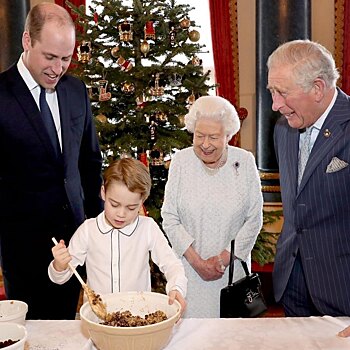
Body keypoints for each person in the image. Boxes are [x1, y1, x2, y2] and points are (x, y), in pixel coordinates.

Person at [0, 3, 103, 319]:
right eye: (50, 57)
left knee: (65, 326)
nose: (58, 68)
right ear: (27, 41)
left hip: (73, 240)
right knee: (32, 330)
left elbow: (88, 162)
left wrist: (97, 226)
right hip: (23, 245)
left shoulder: (75, 91)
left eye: (66, 58)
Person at [267, 39, 350, 318]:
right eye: (271, 92)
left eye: (282, 93)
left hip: (342, 288)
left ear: (317, 88)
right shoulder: (283, 129)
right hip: (293, 282)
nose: (276, 104)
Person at [161, 95, 263, 318]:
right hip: (188, 272)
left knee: (231, 338)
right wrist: (197, 262)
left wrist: (221, 260)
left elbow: (254, 219)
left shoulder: (244, 162)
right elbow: (169, 217)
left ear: (228, 136)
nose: (205, 144)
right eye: (199, 136)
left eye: (214, 137)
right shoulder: (180, 162)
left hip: (231, 275)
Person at [48, 158, 187, 313]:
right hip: (98, 319)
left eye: (131, 207)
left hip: (138, 316)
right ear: (103, 192)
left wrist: (177, 287)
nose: (121, 214)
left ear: (142, 201)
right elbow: (60, 278)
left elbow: (172, 265)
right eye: (114, 204)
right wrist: (59, 265)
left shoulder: (147, 228)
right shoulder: (88, 230)